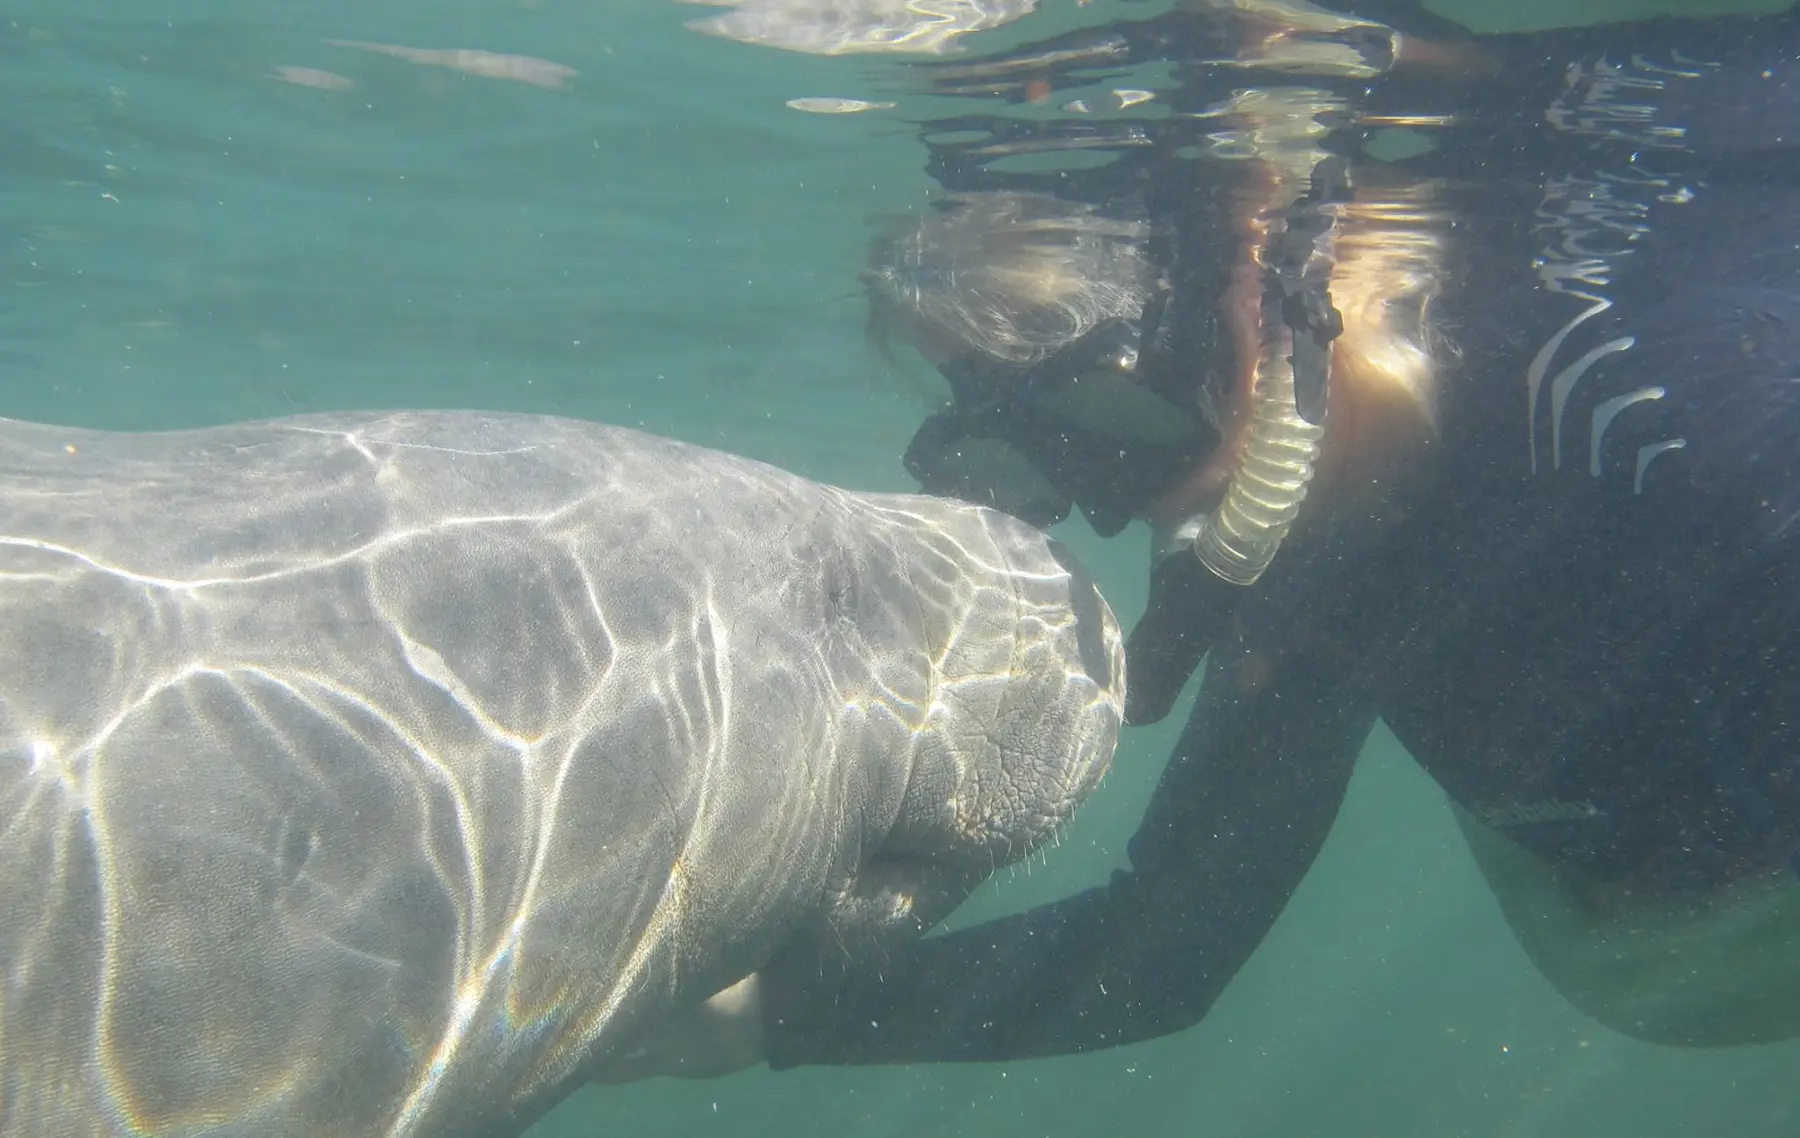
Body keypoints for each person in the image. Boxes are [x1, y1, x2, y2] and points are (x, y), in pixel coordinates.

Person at [597, 0, 1800, 1082]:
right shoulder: (1324, 548)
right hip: (1659, 922)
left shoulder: (1677, 438)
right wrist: (761, 1022)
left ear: (1255, 316)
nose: (1110, 510)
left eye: (1095, 423)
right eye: (1028, 459)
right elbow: (1169, 939)